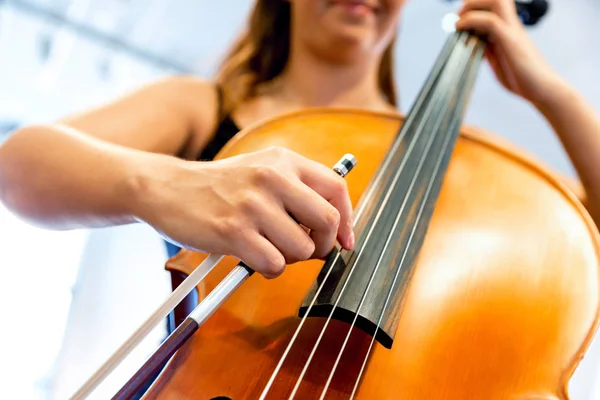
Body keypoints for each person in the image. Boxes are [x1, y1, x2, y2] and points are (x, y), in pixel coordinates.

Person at [0, 0, 599, 283]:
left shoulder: (452, 156)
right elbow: (19, 164)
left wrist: (558, 97)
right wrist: (169, 183)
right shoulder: (207, 106)